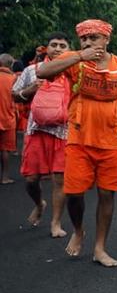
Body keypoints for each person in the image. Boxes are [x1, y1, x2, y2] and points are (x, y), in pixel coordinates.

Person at [37, 20, 117, 267]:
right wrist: (79, 56)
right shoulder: (76, 60)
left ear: (106, 40)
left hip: (114, 140)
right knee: (73, 193)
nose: (89, 42)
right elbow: (43, 72)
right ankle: (79, 230)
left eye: (94, 38)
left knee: (107, 195)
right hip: (79, 140)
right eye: (84, 38)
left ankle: (100, 248)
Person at [13, 33, 73, 236]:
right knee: (31, 180)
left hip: (63, 133)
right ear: (46, 48)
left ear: (69, 50)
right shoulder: (32, 71)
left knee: (60, 181)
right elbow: (14, 94)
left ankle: (55, 223)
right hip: (35, 131)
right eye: (53, 45)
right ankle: (39, 204)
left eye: (62, 46)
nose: (57, 48)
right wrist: (30, 89)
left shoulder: (74, 72)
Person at [0, 53, 17, 184]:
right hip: (8, 118)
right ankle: (5, 177)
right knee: (5, 149)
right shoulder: (14, 78)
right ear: (11, 65)